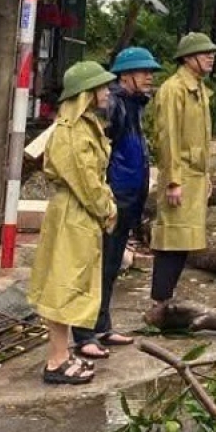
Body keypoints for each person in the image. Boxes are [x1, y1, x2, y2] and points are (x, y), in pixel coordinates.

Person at [27, 61, 118, 385]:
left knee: (71, 284)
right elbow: (85, 180)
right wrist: (106, 208)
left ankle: (62, 354)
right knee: (64, 285)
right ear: (86, 93)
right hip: (74, 213)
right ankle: (55, 361)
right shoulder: (72, 131)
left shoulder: (85, 125)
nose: (108, 91)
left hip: (79, 213)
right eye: (102, 86)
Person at [70, 46, 161, 359]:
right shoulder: (113, 106)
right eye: (144, 71)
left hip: (128, 199)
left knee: (110, 267)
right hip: (113, 198)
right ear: (126, 75)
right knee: (97, 266)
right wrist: (104, 196)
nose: (150, 77)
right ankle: (84, 334)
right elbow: (96, 155)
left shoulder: (133, 104)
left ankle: (102, 326)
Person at [144, 32, 216, 327]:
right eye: (204, 53)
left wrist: (207, 175)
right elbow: (168, 138)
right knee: (172, 238)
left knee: (184, 239)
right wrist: (173, 180)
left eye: (211, 53)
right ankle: (159, 301)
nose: (210, 57)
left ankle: (166, 299)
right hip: (181, 174)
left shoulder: (198, 88)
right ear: (188, 58)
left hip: (196, 174)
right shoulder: (173, 89)